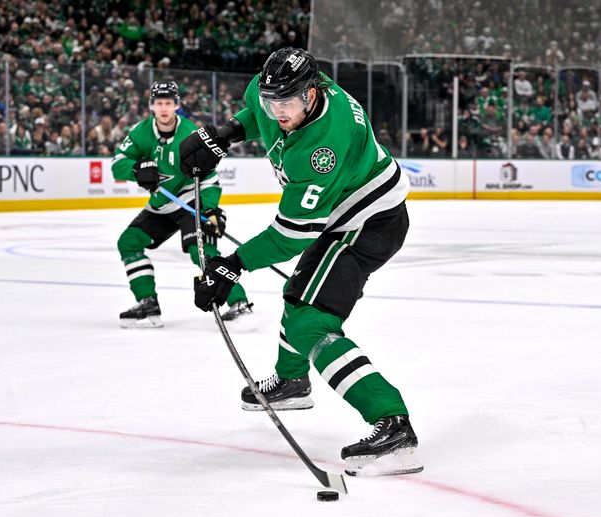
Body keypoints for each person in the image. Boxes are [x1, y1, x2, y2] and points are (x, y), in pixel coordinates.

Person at [179, 48, 422, 476]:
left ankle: (393, 424)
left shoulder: (322, 145)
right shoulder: (276, 88)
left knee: (311, 320)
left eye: (287, 105)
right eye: (273, 103)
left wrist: (232, 264)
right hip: (343, 214)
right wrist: (225, 133)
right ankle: (292, 381)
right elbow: (256, 110)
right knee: (300, 294)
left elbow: (292, 233)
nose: (278, 113)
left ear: (312, 94)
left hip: (368, 221)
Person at [111, 81, 252, 328]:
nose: (163, 108)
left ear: (176, 105)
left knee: (201, 252)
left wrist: (209, 209)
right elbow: (117, 163)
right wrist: (136, 169)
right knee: (128, 242)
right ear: (151, 106)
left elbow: (210, 178)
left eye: (168, 103)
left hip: (190, 200)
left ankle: (239, 303)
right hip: (162, 205)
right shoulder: (141, 132)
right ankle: (148, 303)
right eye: (159, 103)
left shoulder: (190, 134)